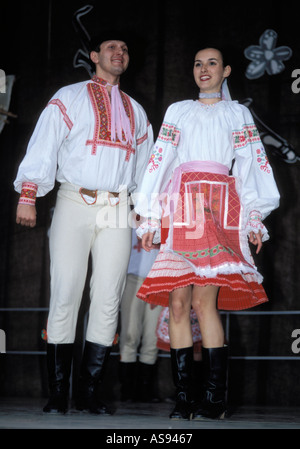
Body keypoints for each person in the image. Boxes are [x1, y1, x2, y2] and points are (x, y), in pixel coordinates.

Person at [134, 47, 280, 420]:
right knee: (178, 304)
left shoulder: (237, 113)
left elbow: (252, 166)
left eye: (212, 63)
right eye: (197, 63)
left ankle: (215, 400)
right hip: (181, 207)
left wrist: (254, 218)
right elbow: (159, 159)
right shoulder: (178, 111)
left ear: (226, 70)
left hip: (219, 209)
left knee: (204, 303)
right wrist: (149, 216)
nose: (204, 69)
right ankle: (185, 399)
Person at [14, 33, 154, 415]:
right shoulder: (69, 96)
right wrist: (29, 194)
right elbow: (44, 144)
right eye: (111, 47)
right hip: (75, 199)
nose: (119, 53)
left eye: (125, 49)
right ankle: (59, 392)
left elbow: (146, 169)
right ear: (94, 56)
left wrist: (147, 211)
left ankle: (89, 392)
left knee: (108, 298)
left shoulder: (137, 111)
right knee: (66, 293)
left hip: (118, 207)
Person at [119, 226, 162, 402]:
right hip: (132, 278)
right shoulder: (128, 219)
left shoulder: (162, 216)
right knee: (129, 334)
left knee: (152, 337)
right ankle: (127, 389)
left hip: (157, 280)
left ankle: (145, 390)